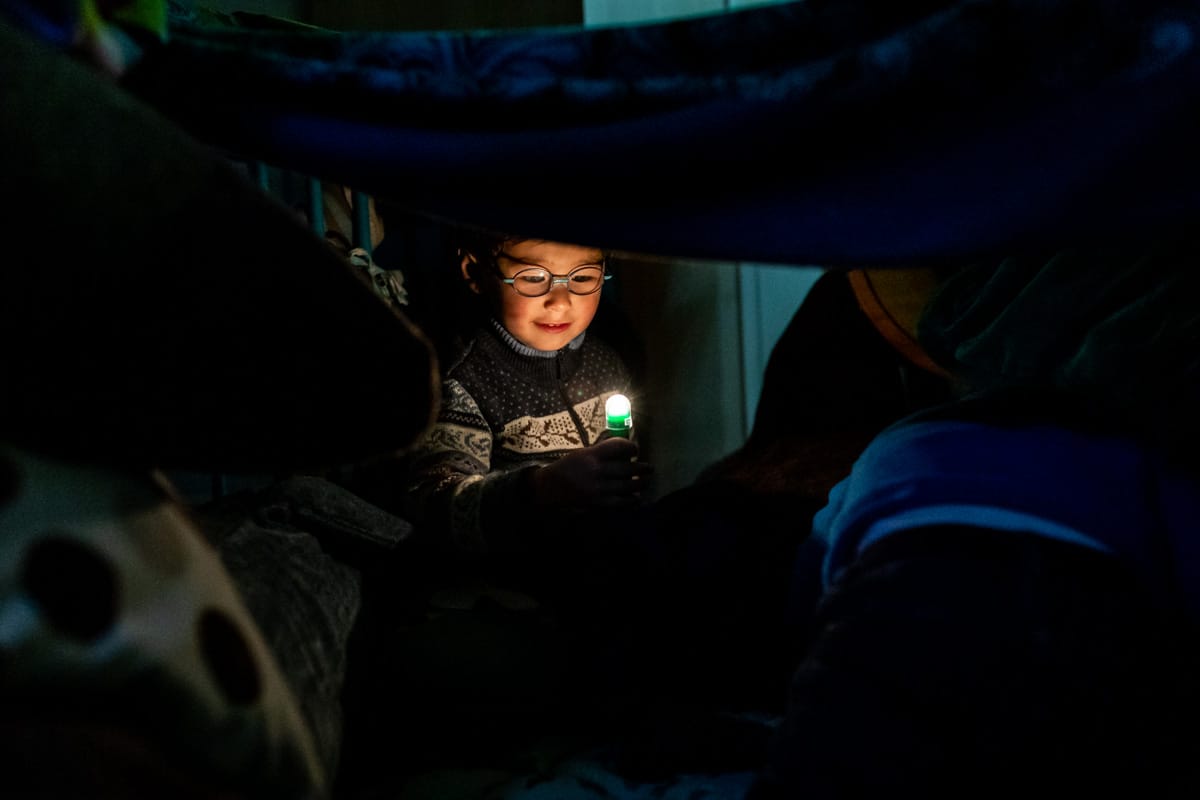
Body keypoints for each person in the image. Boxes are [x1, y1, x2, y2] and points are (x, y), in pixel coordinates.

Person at [401, 231, 653, 563]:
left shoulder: (607, 362)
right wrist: (540, 488)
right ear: (475, 273)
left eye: (582, 277)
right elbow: (433, 505)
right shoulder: (466, 382)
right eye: (534, 277)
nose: (560, 301)